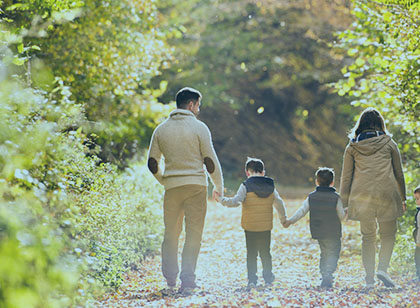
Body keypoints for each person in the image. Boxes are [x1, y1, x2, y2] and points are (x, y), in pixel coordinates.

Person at [147, 87, 224, 293]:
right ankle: (188, 280)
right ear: (191, 105)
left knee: (171, 233)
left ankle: (170, 279)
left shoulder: (161, 129)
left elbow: (152, 163)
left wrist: (164, 180)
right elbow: (210, 161)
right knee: (194, 234)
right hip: (196, 187)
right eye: (198, 104)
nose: (199, 109)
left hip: (172, 188)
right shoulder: (200, 128)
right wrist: (218, 186)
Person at [339, 107, 406, 289]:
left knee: (367, 237)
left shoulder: (352, 147)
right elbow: (399, 173)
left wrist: (344, 203)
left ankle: (369, 280)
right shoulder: (389, 143)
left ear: (360, 124)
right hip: (387, 193)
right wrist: (403, 198)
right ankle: (382, 269)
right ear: (380, 124)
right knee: (388, 234)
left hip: (362, 196)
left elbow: (346, 177)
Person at [219, 157, 287, 287]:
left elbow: (236, 201)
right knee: (265, 252)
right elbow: (279, 203)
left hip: (250, 226)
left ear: (247, 172)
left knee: (251, 253)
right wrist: (283, 219)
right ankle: (268, 277)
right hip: (265, 226)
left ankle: (252, 280)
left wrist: (221, 200)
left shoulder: (245, 185)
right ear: (263, 172)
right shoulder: (270, 186)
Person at [284, 167, 347, 288]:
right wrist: (346, 212)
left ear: (316, 182)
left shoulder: (311, 197)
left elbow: (302, 211)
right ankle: (329, 272)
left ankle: (324, 274)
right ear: (332, 182)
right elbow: (341, 216)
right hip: (333, 231)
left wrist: (290, 221)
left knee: (324, 252)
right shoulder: (336, 197)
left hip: (319, 231)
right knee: (334, 252)